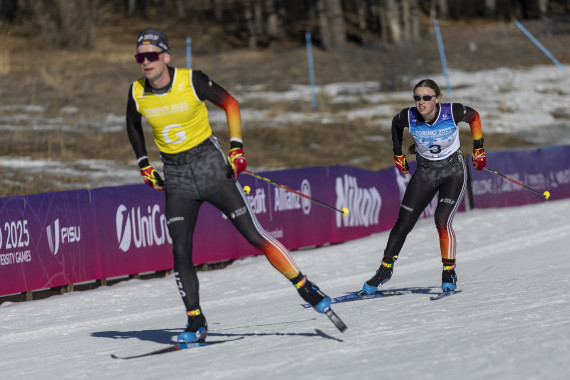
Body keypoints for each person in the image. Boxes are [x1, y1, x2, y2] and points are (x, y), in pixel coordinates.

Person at [125, 27, 332, 343]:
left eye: (152, 55)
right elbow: (132, 124)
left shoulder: (191, 80)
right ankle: (195, 321)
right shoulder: (137, 91)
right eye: (141, 57)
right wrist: (143, 164)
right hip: (177, 178)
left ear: (165, 57)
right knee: (180, 251)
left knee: (254, 234)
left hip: (210, 168)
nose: (146, 62)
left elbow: (231, 103)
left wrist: (236, 148)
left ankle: (304, 285)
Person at [359, 79, 486, 295]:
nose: (421, 102)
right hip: (426, 173)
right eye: (417, 97)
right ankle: (384, 270)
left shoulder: (452, 111)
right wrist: (397, 153)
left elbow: (474, 117)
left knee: (441, 220)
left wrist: (478, 149)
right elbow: (395, 125)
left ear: (437, 99)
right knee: (403, 223)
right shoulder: (408, 116)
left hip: (453, 172)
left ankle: (449, 272)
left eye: (427, 97)